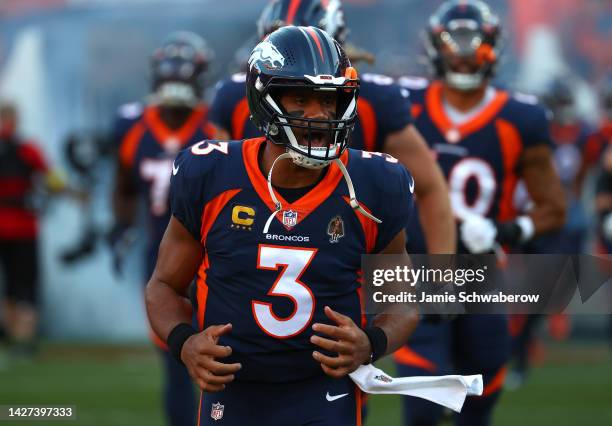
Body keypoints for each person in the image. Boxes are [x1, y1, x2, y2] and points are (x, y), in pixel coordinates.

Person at [146, 26, 418, 426]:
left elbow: (402, 300)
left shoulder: (376, 184)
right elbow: (164, 286)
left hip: (325, 389)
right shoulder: (210, 173)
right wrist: (185, 343)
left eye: (329, 100)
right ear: (264, 101)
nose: (319, 114)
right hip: (233, 388)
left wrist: (372, 343)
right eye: (300, 99)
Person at [395, 1, 566, 425]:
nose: (464, 54)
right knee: (423, 402)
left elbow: (552, 209)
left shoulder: (520, 116)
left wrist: (503, 229)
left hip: (483, 272)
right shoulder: (404, 106)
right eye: (454, 44)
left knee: (478, 402)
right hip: (416, 269)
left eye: (475, 44)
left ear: (494, 47)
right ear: (435, 48)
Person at [209, 0, 455, 254]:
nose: (300, 57)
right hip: (257, 238)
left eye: (327, 100)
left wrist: (442, 282)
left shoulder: (377, 101)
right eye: (286, 44)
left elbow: (430, 189)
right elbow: (219, 188)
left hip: (345, 242)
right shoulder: (234, 98)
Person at [111, 31, 215, 426]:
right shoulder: (133, 127)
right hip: (163, 258)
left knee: (220, 350)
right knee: (175, 352)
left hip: (212, 256)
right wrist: (121, 228)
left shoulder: (215, 123)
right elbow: (122, 187)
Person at [0, 102, 70, 357]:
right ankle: (23, 341)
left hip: (11, 227)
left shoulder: (26, 149)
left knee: (9, 286)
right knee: (26, 286)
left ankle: (12, 339)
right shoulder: (27, 150)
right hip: (22, 227)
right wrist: (72, 194)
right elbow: (52, 178)